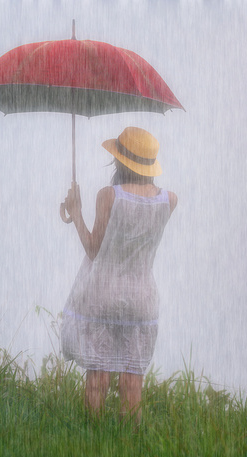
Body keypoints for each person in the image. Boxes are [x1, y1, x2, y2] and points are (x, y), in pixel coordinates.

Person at [60, 127, 177, 423]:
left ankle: (93, 439)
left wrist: (76, 213)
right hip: (142, 299)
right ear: (149, 165)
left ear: (119, 162)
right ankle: (130, 444)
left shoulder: (108, 196)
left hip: (103, 294)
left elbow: (93, 249)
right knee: (132, 381)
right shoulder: (169, 200)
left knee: (98, 377)